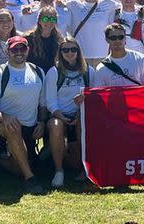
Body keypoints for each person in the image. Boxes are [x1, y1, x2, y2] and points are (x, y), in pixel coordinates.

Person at [0, 36, 47, 194]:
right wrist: (4, 116)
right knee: (13, 127)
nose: (19, 53)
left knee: (21, 165)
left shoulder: (38, 71)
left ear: (28, 50)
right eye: (14, 50)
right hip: (4, 125)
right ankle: (30, 179)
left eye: (22, 49)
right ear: (7, 52)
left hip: (30, 127)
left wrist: (42, 122)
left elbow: (43, 103)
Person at [45, 37, 95, 187]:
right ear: (60, 53)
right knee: (55, 126)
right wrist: (61, 116)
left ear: (79, 52)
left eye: (73, 49)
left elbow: (96, 94)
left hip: (81, 114)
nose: (70, 53)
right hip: (59, 116)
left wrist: (85, 98)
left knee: (84, 123)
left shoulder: (88, 71)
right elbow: (50, 101)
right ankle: (58, 170)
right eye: (65, 50)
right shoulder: (54, 72)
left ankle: (84, 168)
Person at [66, 0, 118, 66]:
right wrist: (33, 6)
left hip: (103, 58)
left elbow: (131, 5)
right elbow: (55, 4)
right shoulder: (73, 4)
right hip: (80, 58)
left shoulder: (109, 3)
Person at [24, 5, 64, 73]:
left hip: (51, 76)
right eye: (45, 19)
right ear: (39, 21)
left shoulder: (59, 40)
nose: (49, 22)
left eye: (52, 19)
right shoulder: (28, 39)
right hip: (33, 76)